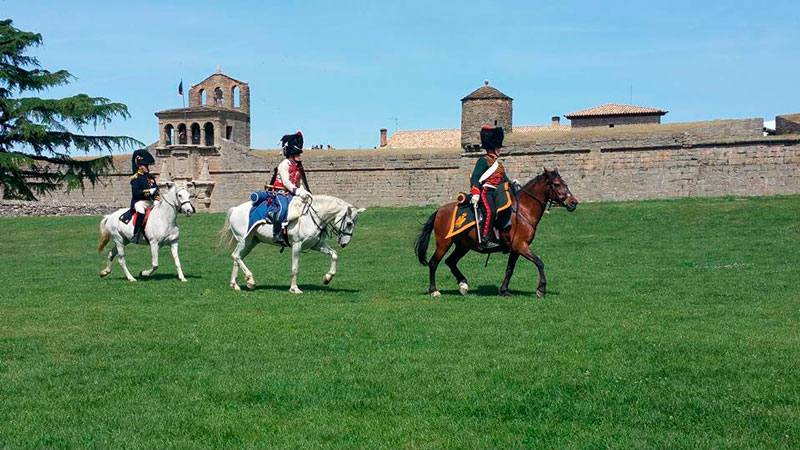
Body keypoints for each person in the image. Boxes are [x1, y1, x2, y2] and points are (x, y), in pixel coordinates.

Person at [469, 126, 517, 250]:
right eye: (498, 147)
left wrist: (512, 182)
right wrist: (475, 192)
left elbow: (504, 179)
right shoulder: (483, 161)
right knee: (491, 211)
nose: (500, 150)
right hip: (486, 192)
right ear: (493, 147)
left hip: (497, 193)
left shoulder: (499, 165)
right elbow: (475, 177)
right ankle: (485, 239)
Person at [269, 131, 311, 243]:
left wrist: (304, 192)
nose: (299, 156)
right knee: (283, 208)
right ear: (292, 154)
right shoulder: (284, 164)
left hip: (291, 192)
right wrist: (297, 191)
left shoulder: (296, 166)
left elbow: (299, 183)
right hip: (280, 192)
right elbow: (286, 182)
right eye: (297, 154)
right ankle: (276, 234)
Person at [129, 149, 159, 244]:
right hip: (139, 202)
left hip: (150, 201)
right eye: (145, 166)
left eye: (147, 166)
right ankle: (136, 234)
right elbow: (136, 193)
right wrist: (148, 192)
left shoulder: (150, 177)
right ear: (140, 166)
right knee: (141, 213)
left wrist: (157, 198)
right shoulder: (135, 178)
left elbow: (155, 189)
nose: (147, 168)